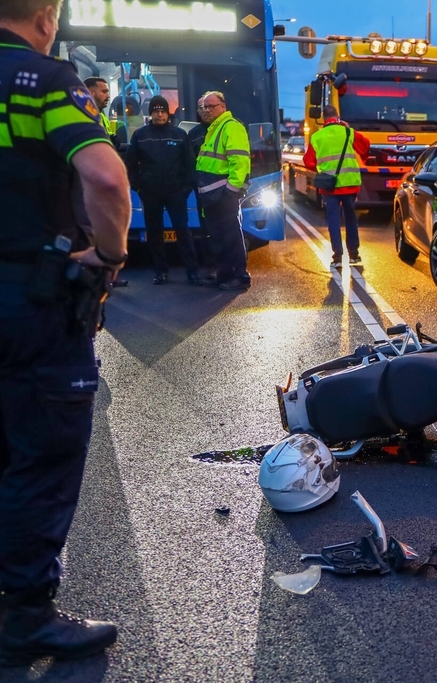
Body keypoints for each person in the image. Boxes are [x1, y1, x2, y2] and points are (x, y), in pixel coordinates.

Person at [0, 0, 131, 666]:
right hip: (29, 299)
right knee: (43, 453)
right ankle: (24, 616)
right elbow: (106, 177)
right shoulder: (43, 80)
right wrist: (107, 255)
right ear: (47, 14)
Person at [124, 95, 201, 285]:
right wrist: (139, 189)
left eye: (163, 111)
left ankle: (192, 272)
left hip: (176, 193)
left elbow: (190, 165)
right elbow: (130, 165)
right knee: (154, 233)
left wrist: (185, 190)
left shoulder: (179, 135)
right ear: (151, 113)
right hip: (150, 194)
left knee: (183, 232)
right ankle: (161, 272)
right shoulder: (140, 136)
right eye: (156, 111)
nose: (160, 114)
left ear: (168, 113)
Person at [194, 91, 251, 290]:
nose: (207, 110)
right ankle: (224, 275)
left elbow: (240, 162)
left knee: (231, 238)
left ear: (223, 106)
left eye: (211, 106)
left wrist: (231, 191)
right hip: (214, 196)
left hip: (223, 196)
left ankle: (240, 277)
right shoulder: (215, 129)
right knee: (219, 238)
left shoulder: (231, 127)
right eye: (204, 107)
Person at [303, 104, 369, 266]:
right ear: (338, 117)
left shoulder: (317, 137)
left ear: (323, 119)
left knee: (333, 219)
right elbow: (365, 146)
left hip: (329, 186)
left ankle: (337, 256)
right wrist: (348, 128)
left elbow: (308, 162)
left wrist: (322, 167)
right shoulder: (347, 132)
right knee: (350, 218)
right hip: (350, 184)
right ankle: (354, 254)